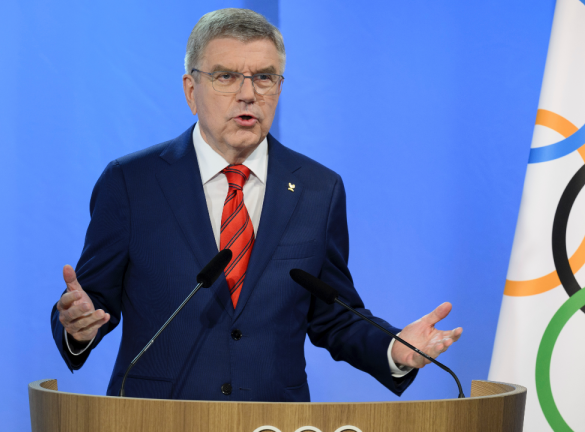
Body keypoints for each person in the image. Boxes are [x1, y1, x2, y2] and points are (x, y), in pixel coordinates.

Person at [50, 8, 462, 401]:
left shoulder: (318, 189)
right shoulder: (131, 182)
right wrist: (78, 324)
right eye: (226, 76)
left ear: (279, 87)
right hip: (157, 414)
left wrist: (395, 348)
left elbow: (333, 314)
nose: (248, 94)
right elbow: (93, 301)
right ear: (191, 91)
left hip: (272, 417)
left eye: (264, 77)